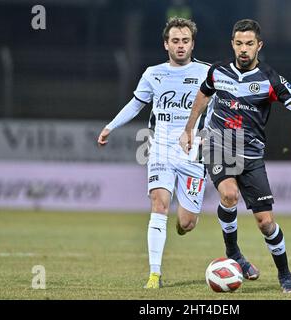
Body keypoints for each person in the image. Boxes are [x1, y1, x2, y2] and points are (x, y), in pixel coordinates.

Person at [179, 19, 291, 293]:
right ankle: (233, 253)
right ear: (232, 44)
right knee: (229, 194)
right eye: (239, 43)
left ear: (259, 46)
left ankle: (284, 274)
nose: (244, 49)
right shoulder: (217, 71)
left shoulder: (270, 80)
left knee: (266, 223)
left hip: (251, 154)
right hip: (217, 144)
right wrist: (189, 129)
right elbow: (203, 95)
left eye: (249, 44)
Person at [97, 17, 211, 289]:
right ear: (166, 44)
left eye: (185, 41)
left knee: (187, 222)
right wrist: (110, 126)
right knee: (158, 204)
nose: (180, 45)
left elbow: (224, 105)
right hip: (160, 149)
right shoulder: (153, 73)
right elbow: (136, 105)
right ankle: (154, 275)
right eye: (175, 41)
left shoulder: (208, 73)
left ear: (192, 44)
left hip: (193, 154)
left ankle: (182, 225)